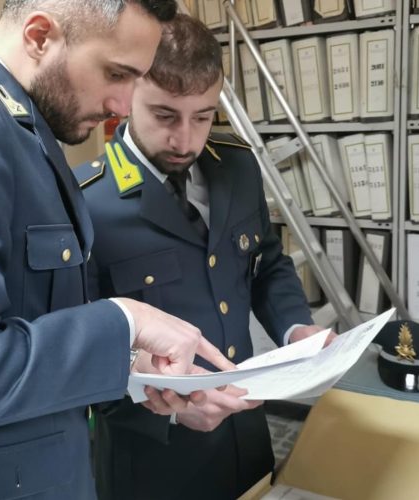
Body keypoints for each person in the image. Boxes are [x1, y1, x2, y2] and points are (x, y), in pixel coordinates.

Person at [0, 2, 235, 499]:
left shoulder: (22, 127)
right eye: (116, 74)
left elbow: (32, 320)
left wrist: (127, 362)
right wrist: (124, 322)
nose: (122, 106)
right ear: (38, 36)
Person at [76, 14, 332, 500]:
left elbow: (267, 262)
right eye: (165, 116)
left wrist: (296, 328)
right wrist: (172, 409)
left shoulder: (237, 165)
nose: (186, 140)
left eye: (203, 116)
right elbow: (78, 351)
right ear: (128, 93)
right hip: (153, 461)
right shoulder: (85, 202)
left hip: (246, 435)